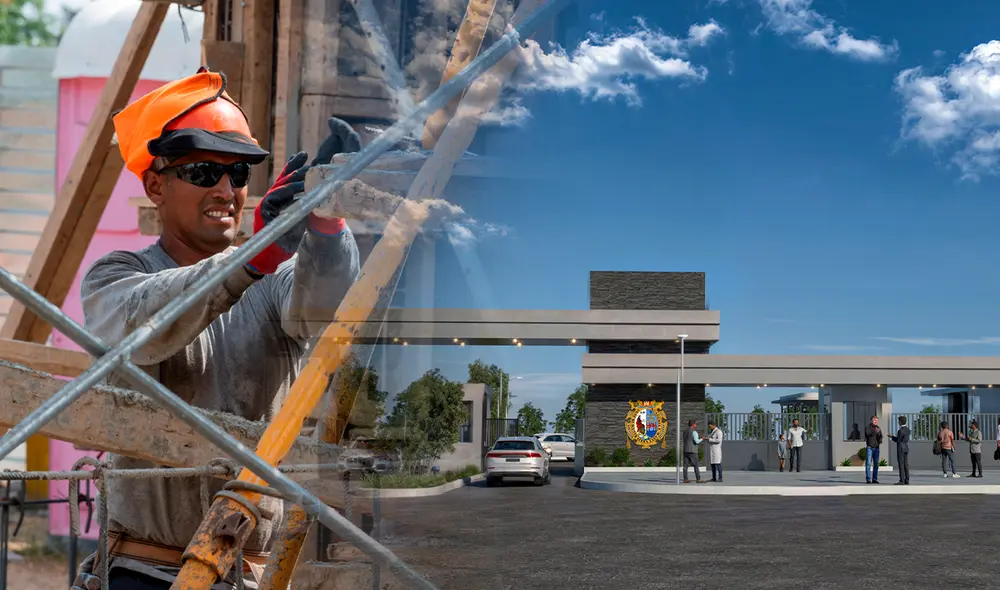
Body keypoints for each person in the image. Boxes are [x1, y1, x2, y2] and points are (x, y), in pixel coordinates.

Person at [72, 69, 361, 590]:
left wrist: (325, 222)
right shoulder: (116, 276)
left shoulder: (274, 284)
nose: (227, 190)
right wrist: (258, 253)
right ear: (156, 184)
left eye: (239, 175)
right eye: (205, 172)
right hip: (143, 572)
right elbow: (146, 324)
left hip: (244, 577)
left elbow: (331, 312)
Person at [888, 415, 910, 485]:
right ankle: (907, 479)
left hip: (900, 447)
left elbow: (898, 440)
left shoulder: (900, 431)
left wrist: (892, 437)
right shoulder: (907, 429)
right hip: (906, 447)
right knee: (906, 464)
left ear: (900, 422)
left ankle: (901, 480)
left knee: (901, 464)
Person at [682, 420, 705, 484]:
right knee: (696, 465)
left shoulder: (685, 432)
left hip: (685, 450)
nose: (696, 425)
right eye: (695, 424)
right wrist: (702, 439)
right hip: (693, 451)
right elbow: (696, 441)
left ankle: (685, 479)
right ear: (693, 424)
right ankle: (698, 479)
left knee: (685, 466)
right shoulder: (694, 432)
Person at [863, 415, 883, 484]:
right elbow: (868, 434)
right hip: (870, 447)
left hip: (876, 448)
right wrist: (875, 432)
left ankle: (875, 479)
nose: (876, 422)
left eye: (877, 420)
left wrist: (880, 440)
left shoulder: (878, 428)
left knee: (876, 464)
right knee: (868, 463)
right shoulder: (868, 428)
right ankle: (868, 479)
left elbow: (881, 436)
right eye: (875, 420)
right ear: (872, 420)